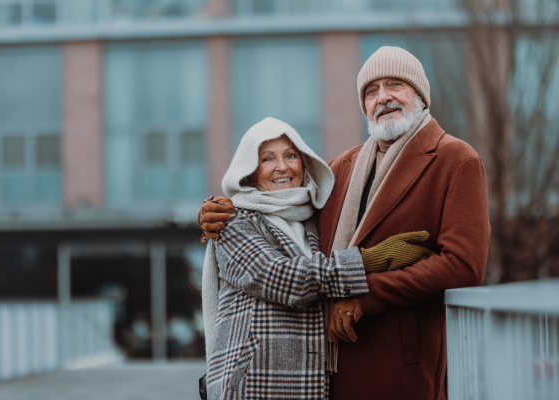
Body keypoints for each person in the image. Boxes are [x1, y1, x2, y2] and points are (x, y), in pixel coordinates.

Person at [199, 46, 491, 400]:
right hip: (328, 368)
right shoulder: (342, 167)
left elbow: (464, 266)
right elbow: (283, 208)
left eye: (394, 85)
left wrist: (366, 298)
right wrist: (222, 209)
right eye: (371, 91)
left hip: (400, 362)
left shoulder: (457, 160)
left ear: (420, 95)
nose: (382, 98)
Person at [202, 116, 434, 400]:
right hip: (253, 383)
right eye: (267, 159)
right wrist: (369, 260)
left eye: (291, 156)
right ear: (250, 172)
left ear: (304, 163)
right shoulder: (232, 222)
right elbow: (282, 278)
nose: (282, 166)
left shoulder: (315, 221)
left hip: (309, 385)